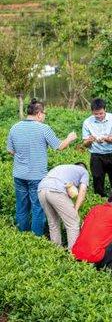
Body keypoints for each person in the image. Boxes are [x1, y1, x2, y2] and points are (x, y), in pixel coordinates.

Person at [7, 98, 77, 237]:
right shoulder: (44, 128)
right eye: (44, 113)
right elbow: (59, 146)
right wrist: (70, 138)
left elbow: (10, 151)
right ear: (39, 113)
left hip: (19, 175)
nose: (44, 116)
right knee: (37, 208)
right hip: (37, 176)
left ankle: (23, 237)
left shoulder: (14, 127)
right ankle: (36, 239)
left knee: (22, 207)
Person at [38, 163, 89, 250]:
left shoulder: (62, 167)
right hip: (56, 190)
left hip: (41, 189)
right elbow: (83, 191)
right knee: (73, 223)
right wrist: (75, 209)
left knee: (53, 223)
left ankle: (56, 251)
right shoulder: (84, 171)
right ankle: (72, 255)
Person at [82, 98, 112, 197]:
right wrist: (89, 140)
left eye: (101, 113)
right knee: (97, 180)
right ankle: (100, 201)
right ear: (92, 112)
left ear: (105, 109)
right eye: (96, 114)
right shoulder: (87, 122)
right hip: (96, 155)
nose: (99, 116)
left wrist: (108, 139)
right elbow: (85, 143)